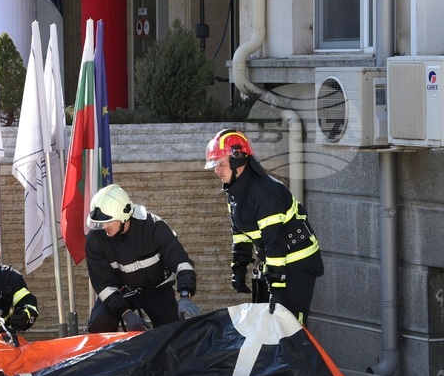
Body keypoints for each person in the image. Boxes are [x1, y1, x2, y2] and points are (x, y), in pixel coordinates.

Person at [205, 129, 324, 326]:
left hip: (298, 261)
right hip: (276, 259)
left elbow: (274, 240)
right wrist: (239, 268)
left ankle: (299, 356)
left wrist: (276, 289)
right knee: (272, 328)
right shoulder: (234, 192)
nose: (217, 170)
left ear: (238, 163)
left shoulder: (265, 192)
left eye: (220, 164)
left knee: (291, 324)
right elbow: (240, 233)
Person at [84, 184, 200, 333]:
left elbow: (181, 262)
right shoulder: (96, 239)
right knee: (99, 322)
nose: (104, 226)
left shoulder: (154, 227)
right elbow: (104, 284)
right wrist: (126, 314)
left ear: (125, 215)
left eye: (109, 221)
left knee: (172, 331)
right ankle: (109, 356)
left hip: (157, 290)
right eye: (100, 222)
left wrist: (185, 295)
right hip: (121, 293)